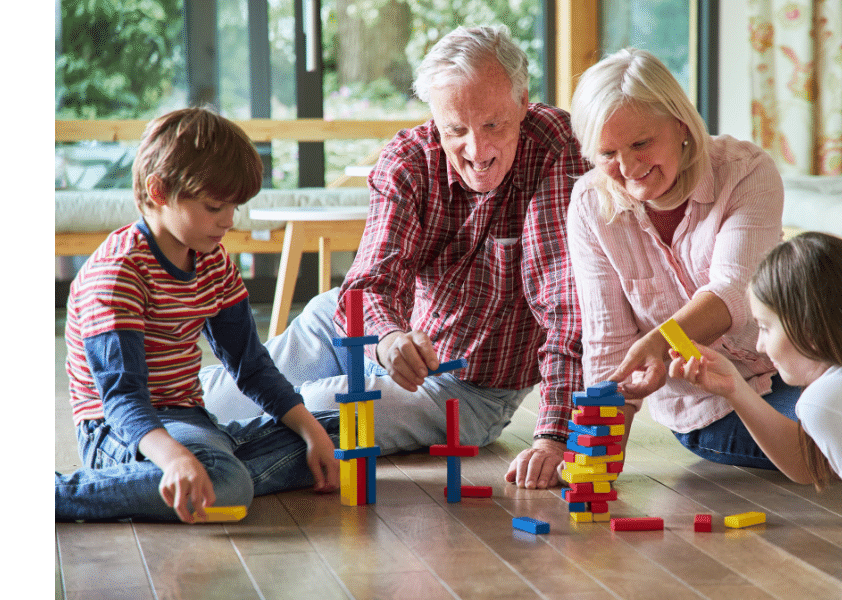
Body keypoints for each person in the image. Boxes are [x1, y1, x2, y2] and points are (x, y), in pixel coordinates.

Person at [199, 25, 590, 489]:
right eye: (456, 130)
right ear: (434, 117)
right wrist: (386, 338)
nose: (477, 150)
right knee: (218, 400)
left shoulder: (557, 149)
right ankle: (126, 421)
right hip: (360, 333)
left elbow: (565, 305)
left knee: (304, 412)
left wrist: (554, 435)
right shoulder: (408, 159)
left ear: (524, 103)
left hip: (463, 387)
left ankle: (185, 460)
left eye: (494, 125)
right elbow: (369, 286)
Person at [56, 108, 341, 523]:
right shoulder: (118, 274)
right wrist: (174, 457)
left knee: (338, 435)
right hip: (121, 431)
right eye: (214, 207)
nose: (228, 221)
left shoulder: (214, 261)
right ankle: (67, 493)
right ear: (159, 191)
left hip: (192, 420)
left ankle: (203, 473)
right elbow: (122, 402)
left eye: (234, 207)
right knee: (229, 483)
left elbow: (251, 366)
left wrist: (311, 432)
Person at [565, 48, 801, 471]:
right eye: (607, 154)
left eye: (641, 143)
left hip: (798, 365)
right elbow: (608, 342)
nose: (628, 166)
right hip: (712, 406)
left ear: (680, 125)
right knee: (840, 436)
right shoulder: (588, 205)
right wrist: (599, 458)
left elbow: (735, 292)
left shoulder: (746, 172)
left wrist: (657, 342)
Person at [670, 232, 842, 537]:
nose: (761, 345)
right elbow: (806, 466)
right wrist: (734, 388)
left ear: (808, 329)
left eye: (765, 328)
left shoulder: (827, 399)